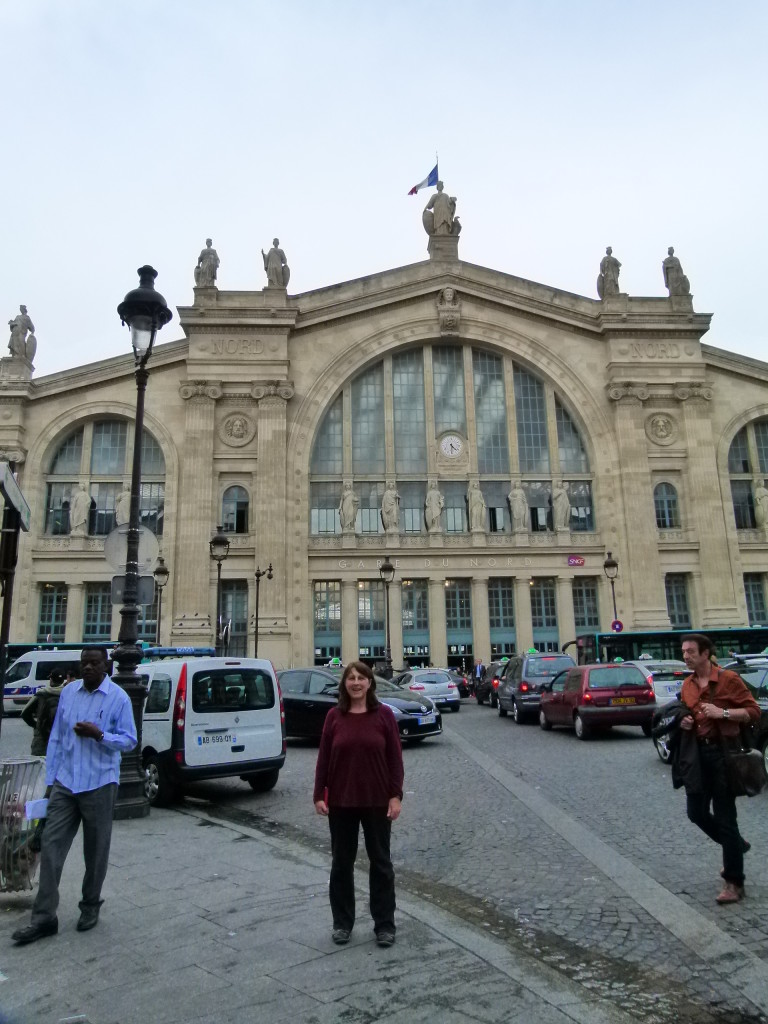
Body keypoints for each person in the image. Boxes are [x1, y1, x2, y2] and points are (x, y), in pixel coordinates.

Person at [11, 647, 138, 945]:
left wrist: (100, 735)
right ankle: (44, 919)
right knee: (51, 848)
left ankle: (90, 905)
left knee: (95, 851)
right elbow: (56, 739)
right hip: (66, 784)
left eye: (94, 663)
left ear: (106, 665)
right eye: (84, 663)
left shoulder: (118, 697)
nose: (88, 668)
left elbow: (130, 740)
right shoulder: (69, 693)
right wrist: (51, 782)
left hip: (100, 783)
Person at [313, 661, 404, 948]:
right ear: (344, 684)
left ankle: (385, 925)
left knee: (381, 863)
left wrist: (395, 795)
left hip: (377, 800)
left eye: (361, 678)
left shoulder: (385, 716)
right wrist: (319, 794)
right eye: (351, 678)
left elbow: (395, 760)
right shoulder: (333, 717)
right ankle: (342, 923)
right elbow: (324, 759)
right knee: (341, 864)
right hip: (341, 801)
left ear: (369, 683)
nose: (355, 683)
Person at [679, 633, 760, 905]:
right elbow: (684, 711)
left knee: (726, 818)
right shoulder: (687, 685)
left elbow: (753, 711)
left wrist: (723, 713)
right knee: (696, 813)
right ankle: (736, 844)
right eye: (684, 652)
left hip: (724, 756)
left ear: (705, 653)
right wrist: (685, 721)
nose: (686, 656)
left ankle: (734, 883)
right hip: (697, 756)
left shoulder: (729, 680)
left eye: (690, 651)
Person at [21, 669, 68, 756]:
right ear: (62, 681)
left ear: (51, 680)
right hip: (61, 737)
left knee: (41, 765)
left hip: (42, 738)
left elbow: (24, 713)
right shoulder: (68, 694)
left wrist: (36, 725)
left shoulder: (41, 694)